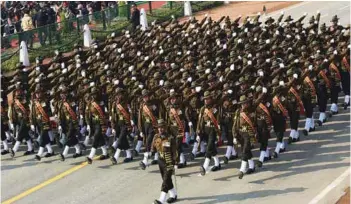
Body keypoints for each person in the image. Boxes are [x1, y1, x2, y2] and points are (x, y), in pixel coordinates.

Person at [151, 119, 178, 204]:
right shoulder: (156, 136)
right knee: (166, 179)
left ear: (165, 128)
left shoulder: (170, 138)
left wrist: (176, 161)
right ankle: (173, 195)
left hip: (169, 161)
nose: (160, 129)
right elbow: (153, 147)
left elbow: (175, 151)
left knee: (165, 181)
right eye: (159, 127)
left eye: (162, 127)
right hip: (160, 160)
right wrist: (151, 152)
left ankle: (161, 200)